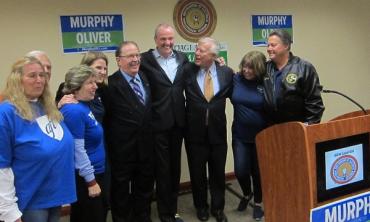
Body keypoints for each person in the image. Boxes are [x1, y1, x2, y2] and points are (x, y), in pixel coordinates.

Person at [0, 56, 76, 222]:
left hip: (54, 196)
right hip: (29, 201)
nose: (39, 80)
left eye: (42, 75)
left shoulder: (46, 107)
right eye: (32, 76)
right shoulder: (6, 113)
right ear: (17, 80)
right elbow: (1, 166)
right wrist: (8, 211)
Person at [140, 23, 188, 222]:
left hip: (178, 123)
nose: (167, 43)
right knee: (162, 170)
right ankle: (164, 213)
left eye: (170, 39)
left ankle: (173, 210)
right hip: (157, 124)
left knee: (174, 169)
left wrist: (218, 62)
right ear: (155, 40)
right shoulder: (144, 60)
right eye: (163, 39)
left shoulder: (182, 58)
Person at [183, 37, 233, 222]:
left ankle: (218, 208)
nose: (196, 52)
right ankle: (201, 207)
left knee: (218, 174)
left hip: (218, 133)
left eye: (201, 50)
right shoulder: (187, 70)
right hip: (194, 134)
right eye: (197, 49)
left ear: (213, 55)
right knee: (197, 175)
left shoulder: (226, 73)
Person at [104, 41, 154, 222]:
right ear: (118, 60)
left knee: (144, 191)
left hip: (146, 149)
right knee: (121, 195)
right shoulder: (109, 85)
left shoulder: (145, 78)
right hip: (122, 152)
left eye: (137, 55)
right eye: (130, 56)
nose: (135, 60)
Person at [60, 65, 106, 222]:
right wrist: (91, 181)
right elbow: (77, 150)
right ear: (76, 86)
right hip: (85, 178)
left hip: (95, 172)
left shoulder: (84, 106)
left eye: (95, 82)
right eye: (90, 83)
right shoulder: (73, 111)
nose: (95, 86)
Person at [231, 51, 268, 221]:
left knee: (258, 172)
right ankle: (247, 194)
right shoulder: (236, 79)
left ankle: (258, 204)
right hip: (240, 135)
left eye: (250, 68)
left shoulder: (266, 83)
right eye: (244, 66)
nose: (246, 70)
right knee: (240, 170)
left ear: (259, 68)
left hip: (261, 136)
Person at [263, 29, 324, 124]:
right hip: (271, 131)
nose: (269, 49)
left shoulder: (303, 68)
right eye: (268, 45)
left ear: (286, 46)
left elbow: (315, 104)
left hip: (297, 129)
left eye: (273, 45)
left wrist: (308, 128)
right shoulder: (265, 68)